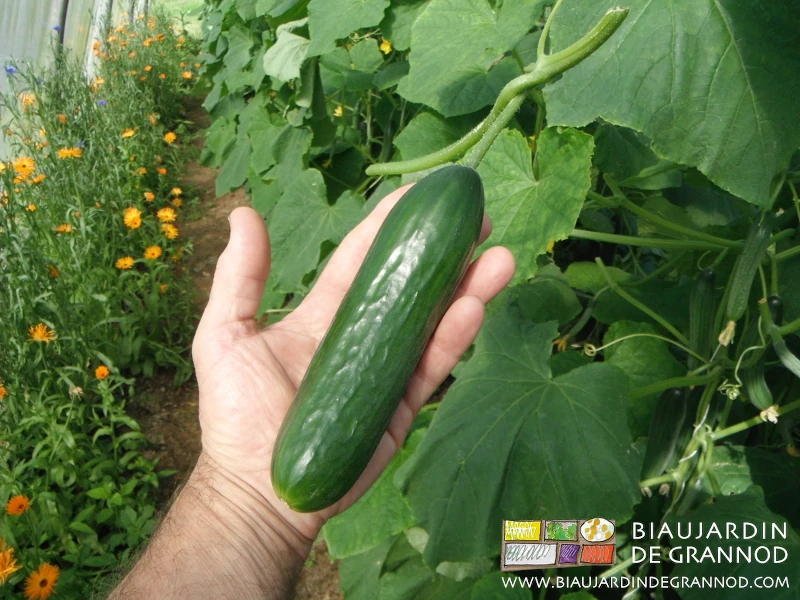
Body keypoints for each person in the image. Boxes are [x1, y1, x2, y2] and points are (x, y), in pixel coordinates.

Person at [107, 185, 515, 599]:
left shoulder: (302, 468)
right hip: (308, 468)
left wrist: (239, 504)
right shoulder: (301, 470)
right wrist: (241, 497)